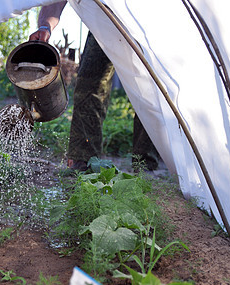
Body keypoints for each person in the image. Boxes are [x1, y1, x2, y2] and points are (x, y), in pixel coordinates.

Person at [29, 2, 159, 171]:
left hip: (147, 20)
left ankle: (145, 165)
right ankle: (83, 160)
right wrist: (45, 26)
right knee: (89, 85)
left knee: (151, 90)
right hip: (105, 20)